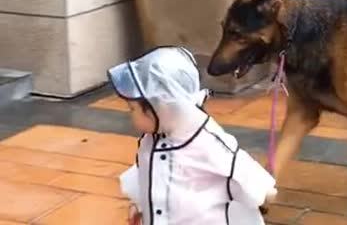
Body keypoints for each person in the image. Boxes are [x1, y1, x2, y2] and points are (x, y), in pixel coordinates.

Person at [107, 46, 277, 225]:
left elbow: (238, 166)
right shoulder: (151, 140)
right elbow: (147, 175)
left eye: (132, 109)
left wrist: (263, 190)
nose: (130, 114)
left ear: (162, 106)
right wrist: (139, 204)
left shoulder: (206, 142)